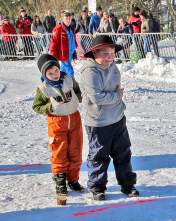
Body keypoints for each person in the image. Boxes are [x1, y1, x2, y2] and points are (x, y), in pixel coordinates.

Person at [76, 35, 139, 201]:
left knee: (123, 153)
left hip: (117, 118)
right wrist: (117, 97)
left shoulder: (113, 67)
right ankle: (97, 188)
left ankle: (127, 185)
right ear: (94, 53)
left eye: (111, 53)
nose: (109, 57)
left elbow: (115, 90)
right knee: (99, 157)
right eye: (104, 53)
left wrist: (116, 98)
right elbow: (97, 97)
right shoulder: (90, 71)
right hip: (98, 122)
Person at [32, 54, 84, 205]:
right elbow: (36, 106)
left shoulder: (68, 78)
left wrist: (79, 99)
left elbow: (77, 90)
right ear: (44, 75)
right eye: (50, 73)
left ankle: (73, 180)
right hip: (57, 123)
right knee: (59, 154)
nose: (55, 74)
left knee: (76, 151)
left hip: (74, 119)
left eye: (56, 70)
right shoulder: (43, 89)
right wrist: (49, 107)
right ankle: (61, 185)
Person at [49, 11, 77, 77]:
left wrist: (74, 53)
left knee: (63, 71)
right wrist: (53, 57)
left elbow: (73, 41)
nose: (68, 20)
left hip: (70, 54)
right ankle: (73, 84)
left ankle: (60, 81)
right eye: (66, 19)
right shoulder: (58, 29)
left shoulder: (71, 28)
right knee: (70, 72)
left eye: (69, 19)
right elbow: (53, 43)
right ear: (63, 19)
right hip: (64, 55)